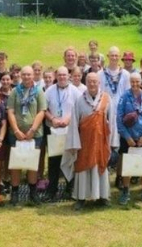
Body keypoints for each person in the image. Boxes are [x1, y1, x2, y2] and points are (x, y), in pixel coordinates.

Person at [62, 72, 111, 210]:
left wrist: (112, 142)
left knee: (100, 167)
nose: (92, 84)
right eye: (89, 81)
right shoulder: (79, 100)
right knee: (82, 168)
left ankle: (102, 196)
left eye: (95, 81)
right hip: (84, 142)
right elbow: (73, 124)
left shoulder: (106, 99)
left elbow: (111, 122)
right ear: (86, 83)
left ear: (99, 82)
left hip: (101, 142)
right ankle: (81, 198)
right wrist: (74, 144)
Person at [6, 65, 47, 206]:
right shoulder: (14, 92)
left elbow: (42, 111)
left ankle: (33, 192)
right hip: (16, 134)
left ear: (33, 76)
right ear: (20, 76)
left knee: (32, 164)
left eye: (29, 75)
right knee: (16, 164)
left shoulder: (38, 91)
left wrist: (32, 130)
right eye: (24, 74)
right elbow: (10, 111)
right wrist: (16, 130)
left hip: (34, 135)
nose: (27, 77)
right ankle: (15, 192)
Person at [43, 66, 81, 202]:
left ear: (69, 76)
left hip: (70, 131)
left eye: (64, 75)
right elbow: (43, 108)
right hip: (53, 131)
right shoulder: (49, 91)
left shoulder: (75, 91)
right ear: (56, 76)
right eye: (59, 75)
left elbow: (79, 108)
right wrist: (53, 118)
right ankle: (51, 190)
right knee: (54, 161)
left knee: (70, 160)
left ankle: (70, 188)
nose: (62, 77)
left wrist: (68, 119)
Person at [117, 72, 142, 205]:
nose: (135, 84)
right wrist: (127, 137)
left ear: (141, 82)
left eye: (137, 81)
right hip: (129, 138)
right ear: (129, 82)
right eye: (132, 81)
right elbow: (119, 119)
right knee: (127, 165)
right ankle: (125, 191)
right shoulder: (124, 97)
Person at [98, 46, 131, 188]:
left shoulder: (125, 74)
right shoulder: (100, 74)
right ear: (108, 56)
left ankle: (119, 176)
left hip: (121, 115)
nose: (114, 58)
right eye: (112, 55)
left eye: (117, 55)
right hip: (105, 115)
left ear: (119, 57)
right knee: (104, 145)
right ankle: (103, 175)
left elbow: (128, 94)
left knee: (122, 148)